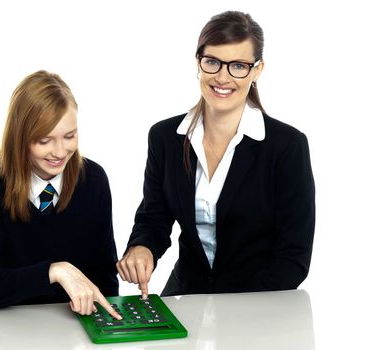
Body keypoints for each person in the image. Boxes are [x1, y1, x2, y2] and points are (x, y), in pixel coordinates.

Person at [116, 11, 315, 299]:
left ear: (257, 70)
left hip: (257, 304)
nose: (222, 77)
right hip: (187, 295)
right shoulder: (165, 138)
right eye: (212, 62)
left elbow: (293, 258)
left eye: (238, 66)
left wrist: (231, 312)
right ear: (198, 63)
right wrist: (141, 248)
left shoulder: (287, 146)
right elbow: (154, 217)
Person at [0, 70, 121, 319]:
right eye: (44, 140)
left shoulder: (93, 180)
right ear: (20, 137)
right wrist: (54, 271)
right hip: (2, 329)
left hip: (68, 330)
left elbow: (104, 279)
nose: (60, 152)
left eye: (69, 136)